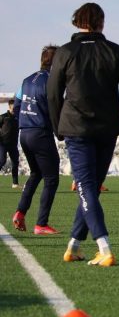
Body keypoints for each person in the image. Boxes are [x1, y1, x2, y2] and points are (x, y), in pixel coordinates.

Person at [49, 2, 119, 267]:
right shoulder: (114, 51)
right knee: (90, 188)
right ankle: (74, 245)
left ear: (76, 22)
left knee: (87, 187)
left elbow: (53, 92)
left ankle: (103, 247)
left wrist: (57, 125)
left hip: (76, 127)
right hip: (106, 128)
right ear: (102, 23)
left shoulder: (66, 52)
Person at [12, 46, 61, 235]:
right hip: (40, 133)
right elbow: (55, 109)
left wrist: (24, 121)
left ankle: (20, 212)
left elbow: (16, 106)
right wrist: (60, 132)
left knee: (36, 173)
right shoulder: (51, 81)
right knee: (52, 178)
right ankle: (41, 224)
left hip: (24, 133)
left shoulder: (26, 80)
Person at [0, 98, 20, 188]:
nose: (15, 109)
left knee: (15, 163)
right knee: (2, 161)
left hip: (13, 144)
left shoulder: (18, 117)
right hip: (3, 144)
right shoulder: (3, 117)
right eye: (13, 107)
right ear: (9, 106)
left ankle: (15, 183)